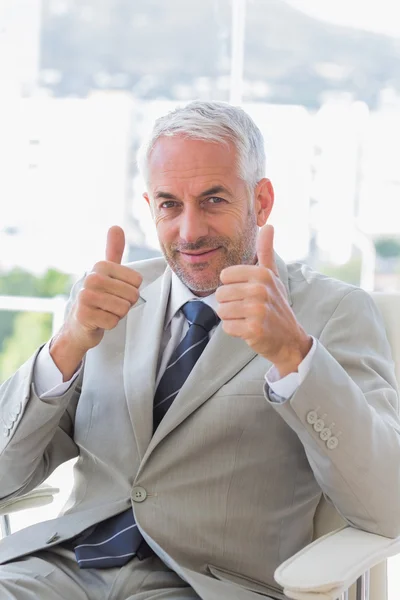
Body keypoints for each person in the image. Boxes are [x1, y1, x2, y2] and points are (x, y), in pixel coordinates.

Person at [0, 101, 399, 600]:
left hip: (208, 585)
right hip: (57, 570)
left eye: (213, 200)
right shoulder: (107, 297)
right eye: (170, 204)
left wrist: (296, 357)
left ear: (263, 200)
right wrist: (65, 347)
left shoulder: (336, 311)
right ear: (149, 206)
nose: (189, 232)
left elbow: (388, 505)